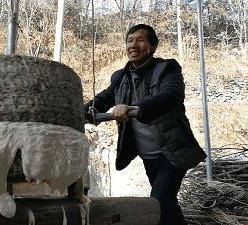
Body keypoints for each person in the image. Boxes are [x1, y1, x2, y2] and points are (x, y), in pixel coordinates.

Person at [83, 24, 207, 225]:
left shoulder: (167, 69)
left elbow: (171, 95)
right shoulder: (120, 77)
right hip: (148, 155)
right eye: (129, 41)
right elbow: (102, 100)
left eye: (140, 40)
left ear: (153, 46)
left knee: (157, 202)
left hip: (172, 150)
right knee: (166, 206)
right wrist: (77, 112)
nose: (133, 45)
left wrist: (133, 108)